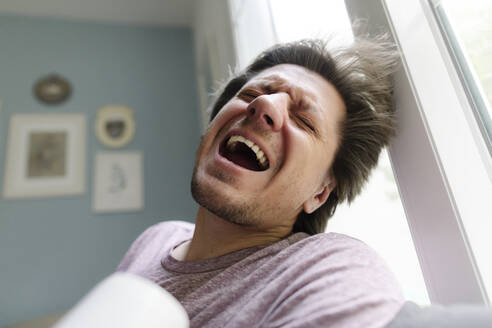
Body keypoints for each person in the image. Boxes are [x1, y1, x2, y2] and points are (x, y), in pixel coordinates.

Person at [117, 38, 404, 328]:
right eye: (252, 92)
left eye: (304, 120)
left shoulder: (331, 268)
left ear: (320, 194)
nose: (263, 103)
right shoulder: (155, 240)